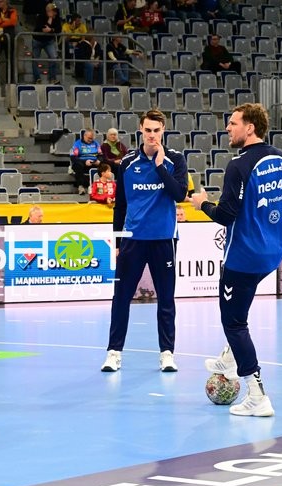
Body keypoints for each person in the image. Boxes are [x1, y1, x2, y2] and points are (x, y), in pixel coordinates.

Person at [191, 103, 282, 417]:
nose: (228, 128)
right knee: (239, 313)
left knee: (233, 322)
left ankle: (257, 395)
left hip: (243, 257)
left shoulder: (239, 165)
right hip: (272, 255)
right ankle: (230, 359)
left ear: (250, 127)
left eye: (233, 123)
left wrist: (202, 203)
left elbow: (226, 215)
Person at [101, 109, 188, 373]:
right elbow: (121, 206)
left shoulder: (175, 160)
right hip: (133, 241)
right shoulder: (126, 163)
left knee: (166, 299)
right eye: (148, 130)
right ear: (141, 129)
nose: (152, 135)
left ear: (163, 130)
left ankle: (167, 353)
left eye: (157, 130)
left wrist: (160, 167)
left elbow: (179, 194)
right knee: (121, 297)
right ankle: (114, 352)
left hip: (164, 240)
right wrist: (117, 242)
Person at [0, 0, 18, 84]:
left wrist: (0, 23)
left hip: (8, 40)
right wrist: (2, 20)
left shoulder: (12, 10)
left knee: (10, 59)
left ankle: (10, 80)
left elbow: (13, 21)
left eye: (1, 1)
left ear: (5, 2)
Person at [31, 3, 61, 84]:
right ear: (48, 11)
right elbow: (44, 29)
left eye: (55, 11)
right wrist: (50, 19)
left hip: (49, 41)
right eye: (53, 11)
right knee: (35, 59)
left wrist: (51, 30)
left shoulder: (57, 17)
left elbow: (59, 29)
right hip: (37, 40)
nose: (55, 13)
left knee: (53, 57)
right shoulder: (41, 16)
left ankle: (52, 78)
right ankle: (37, 78)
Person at [70, 129, 102, 195]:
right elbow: (73, 157)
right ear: (84, 136)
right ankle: (80, 187)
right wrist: (85, 162)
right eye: (89, 138)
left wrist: (99, 160)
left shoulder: (96, 143)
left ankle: (101, 187)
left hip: (94, 162)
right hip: (82, 162)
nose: (90, 140)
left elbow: (101, 155)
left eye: (92, 138)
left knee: (106, 164)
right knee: (78, 165)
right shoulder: (77, 144)